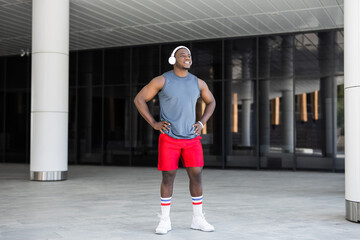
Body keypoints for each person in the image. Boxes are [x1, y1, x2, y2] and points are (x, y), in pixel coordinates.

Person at [134, 46, 216, 234]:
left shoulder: (198, 83)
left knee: (196, 175)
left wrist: (202, 122)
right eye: (183, 55)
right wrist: (154, 123)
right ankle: (164, 220)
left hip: (192, 139)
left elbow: (211, 102)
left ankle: (198, 219)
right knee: (168, 177)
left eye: (189, 55)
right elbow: (139, 99)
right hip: (169, 138)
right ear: (174, 59)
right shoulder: (162, 80)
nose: (187, 58)